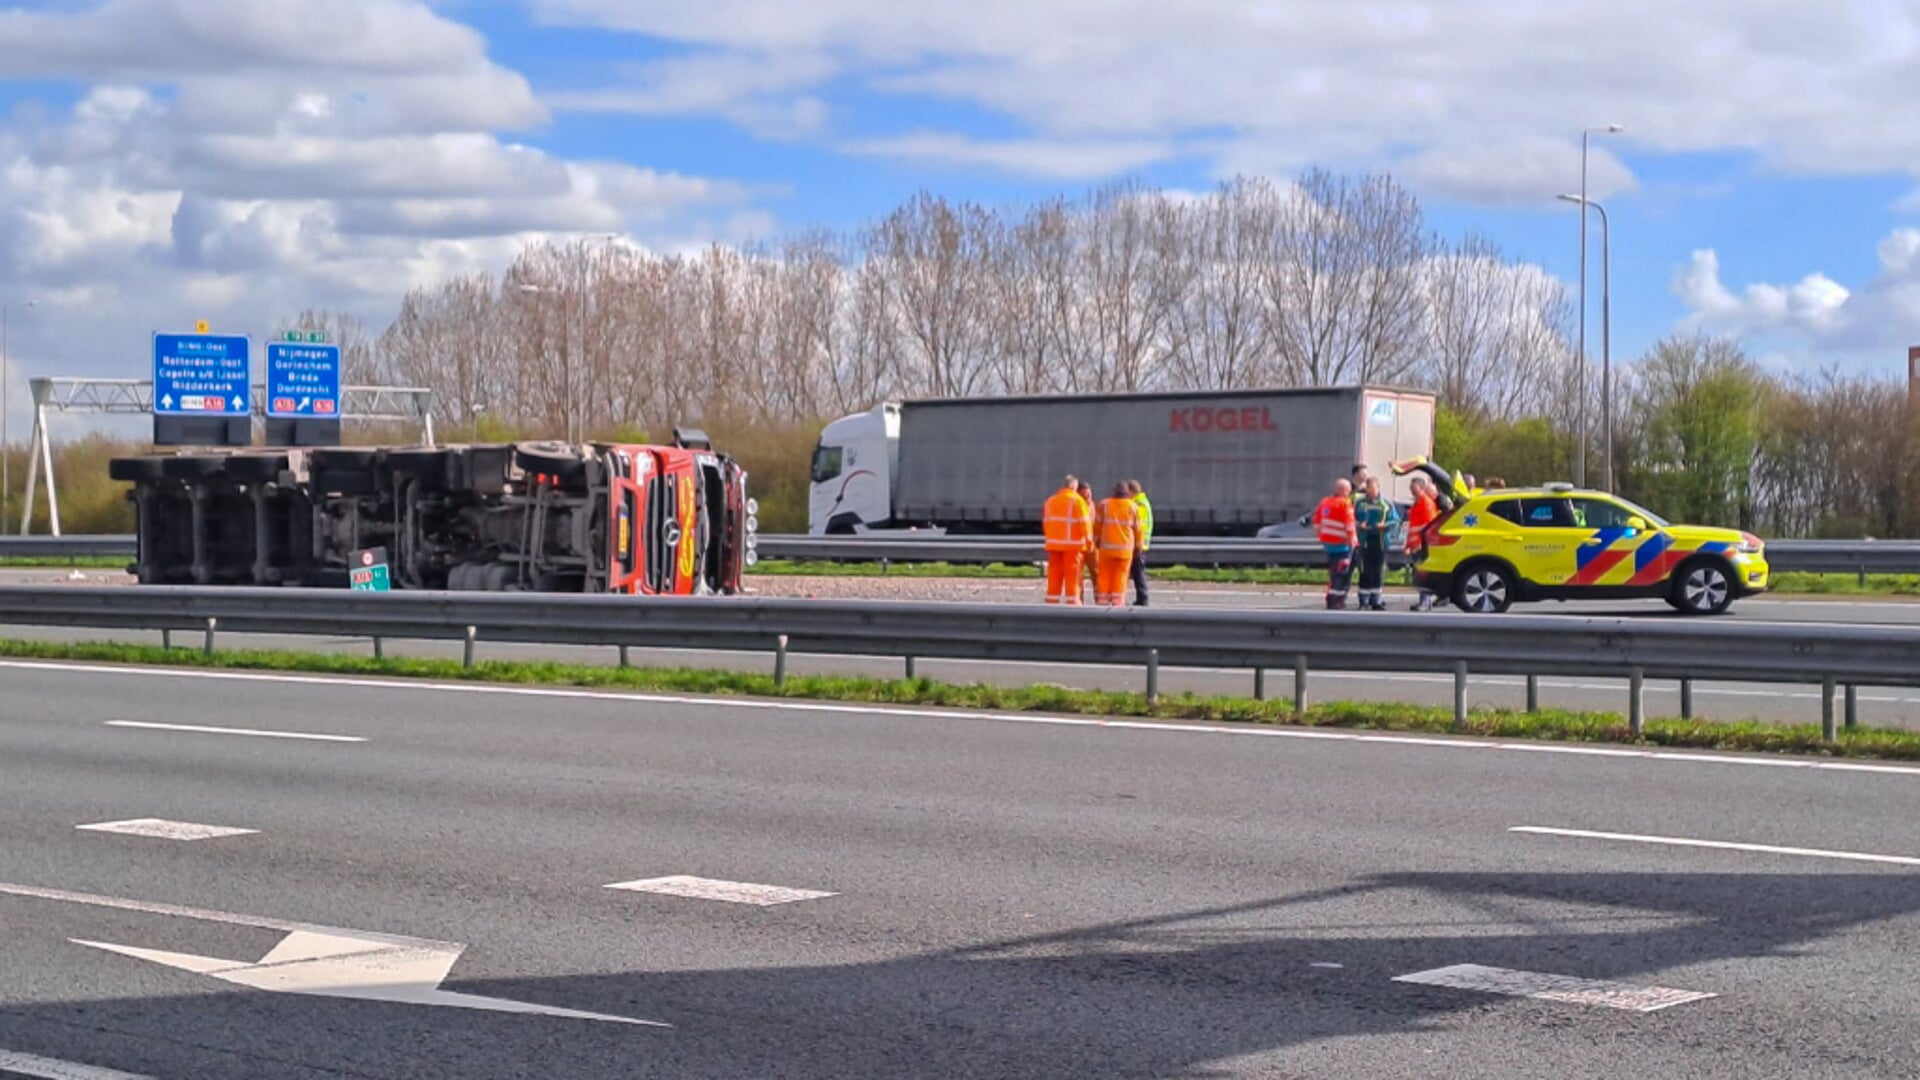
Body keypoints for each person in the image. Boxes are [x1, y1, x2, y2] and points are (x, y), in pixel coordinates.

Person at [1041, 474, 1092, 605]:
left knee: (1054, 578)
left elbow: (1046, 523)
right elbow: (1085, 524)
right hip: (1073, 547)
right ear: (1074, 486)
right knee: (1072, 578)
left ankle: (1051, 604)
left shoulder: (1050, 501)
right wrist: (1089, 543)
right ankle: (1073, 605)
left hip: (1054, 545)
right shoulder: (1078, 501)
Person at [1092, 482, 1141, 607]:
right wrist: (1138, 547)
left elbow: (1097, 526)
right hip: (1125, 551)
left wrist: (1097, 541)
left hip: (1106, 549)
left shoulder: (1104, 505)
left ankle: (1102, 601)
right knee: (1121, 576)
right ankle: (1118, 602)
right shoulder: (1133, 507)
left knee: (1104, 575)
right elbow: (1138, 530)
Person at [1312, 478, 1358, 609]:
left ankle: (1331, 598)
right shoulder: (1345, 504)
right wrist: (1352, 543)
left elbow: (1316, 525)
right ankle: (1336, 600)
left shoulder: (1324, 502)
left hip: (1328, 546)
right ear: (1345, 491)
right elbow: (1349, 527)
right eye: (1348, 490)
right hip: (1343, 546)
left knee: (1333, 574)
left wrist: (1324, 537)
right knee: (1341, 575)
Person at [1354, 476, 1397, 611]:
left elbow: (1395, 521)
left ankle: (1376, 601)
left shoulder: (1386, 504)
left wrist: (1385, 525)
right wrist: (1360, 525)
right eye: (1368, 488)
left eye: (1372, 488)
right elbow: (1351, 519)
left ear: (1378, 488)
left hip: (1380, 540)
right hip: (1364, 540)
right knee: (1365, 571)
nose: (1370, 491)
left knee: (1377, 571)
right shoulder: (1360, 504)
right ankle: (1363, 601)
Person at [1404, 475, 1440, 611]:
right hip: (1416, 545)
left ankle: (1425, 601)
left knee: (1424, 574)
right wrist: (1408, 545)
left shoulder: (1426, 504)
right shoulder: (1418, 503)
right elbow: (1414, 526)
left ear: (1422, 488)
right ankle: (1424, 601)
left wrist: (1419, 543)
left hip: (1422, 546)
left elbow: (1428, 527)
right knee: (1420, 574)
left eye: (1414, 488)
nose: (1411, 491)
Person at [1126, 479, 1153, 607]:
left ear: (1131, 491)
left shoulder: (1139, 505)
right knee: (1137, 572)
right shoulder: (1142, 502)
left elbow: (1139, 527)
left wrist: (1136, 544)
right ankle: (1141, 598)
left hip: (1139, 545)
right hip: (1141, 544)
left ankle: (1143, 599)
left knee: (1138, 573)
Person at [1077, 480, 1098, 603]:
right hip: (1080, 545)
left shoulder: (1092, 505)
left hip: (1092, 546)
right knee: (1078, 576)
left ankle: (1099, 599)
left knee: (1096, 574)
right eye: (1085, 495)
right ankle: (1079, 600)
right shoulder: (1078, 506)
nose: (1088, 497)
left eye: (1089, 495)